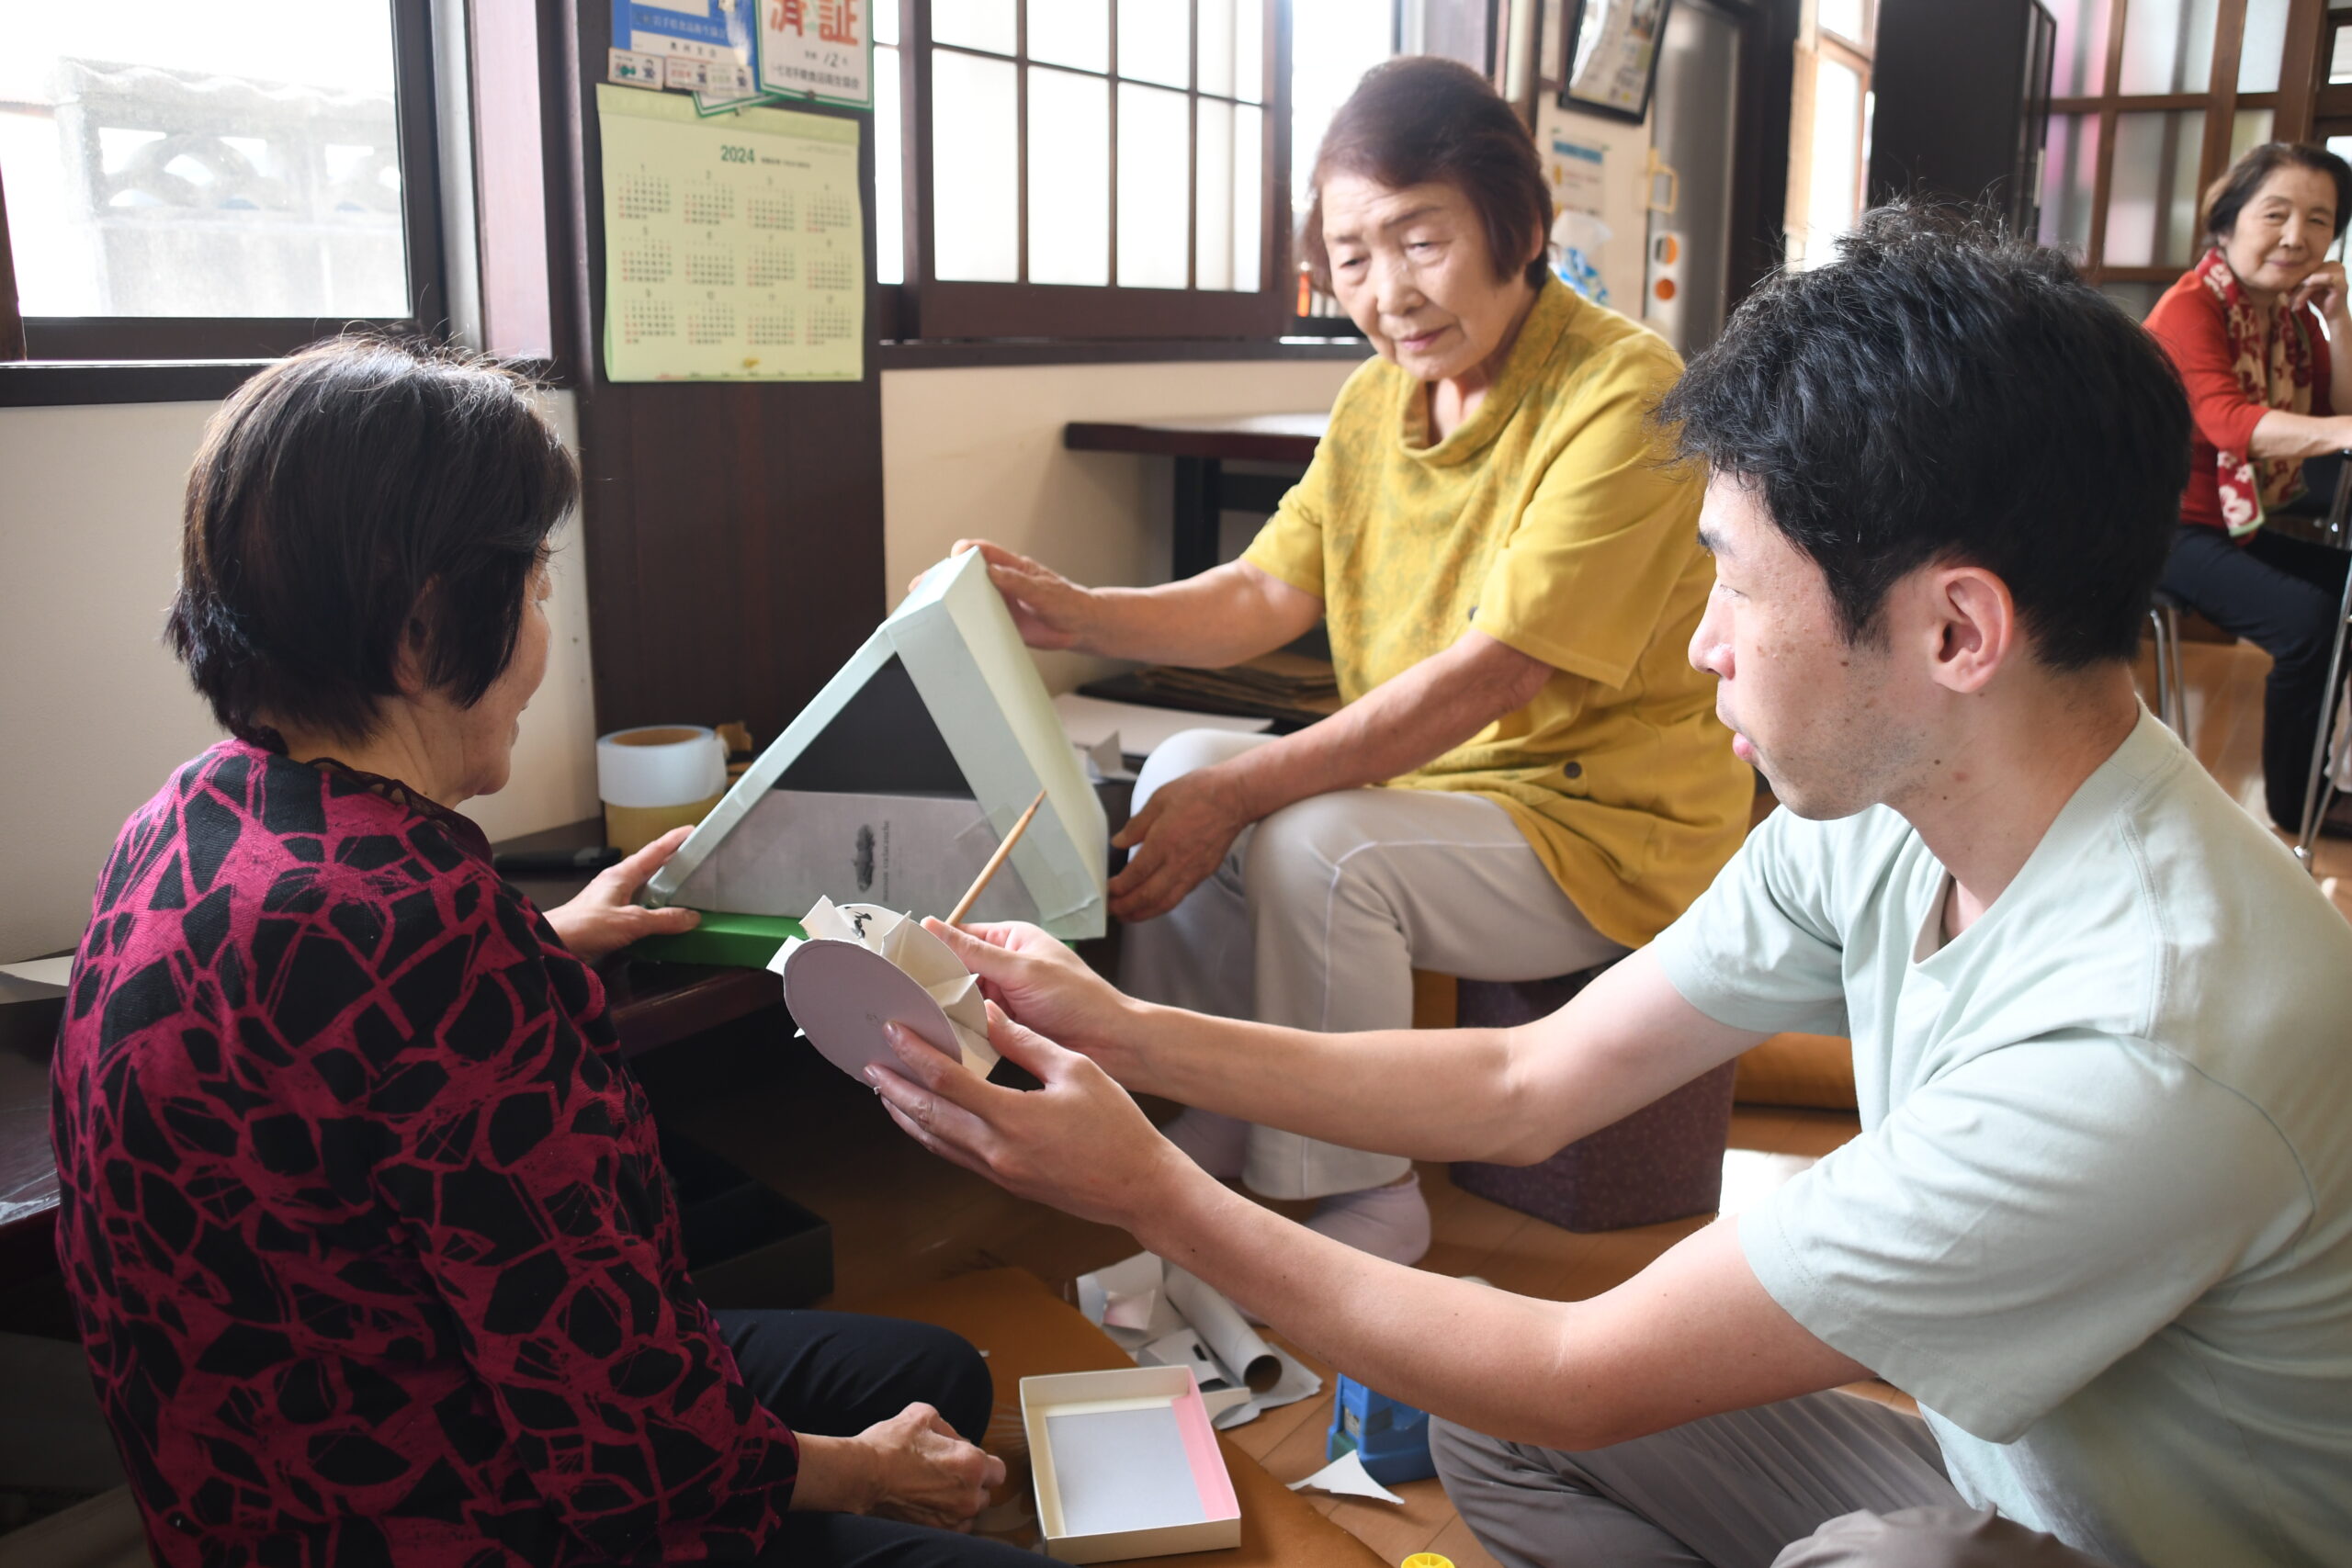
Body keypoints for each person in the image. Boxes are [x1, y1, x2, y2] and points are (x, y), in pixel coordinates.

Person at [863, 209, 2352, 1567]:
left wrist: (1149, 1189)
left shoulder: (2142, 1037)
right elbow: (1529, 1077)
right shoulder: (1900, 797)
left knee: (1851, 1547)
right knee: (1490, 1425)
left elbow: (1587, 1370)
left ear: (1955, 630)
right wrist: (1121, 1030)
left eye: (1736, 583)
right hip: (2014, 1480)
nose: (1703, 641)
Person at [48, 339, 1035, 1568]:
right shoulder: (430, 934)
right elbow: (632, 1452)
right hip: (449, 1510)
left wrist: (539, 939)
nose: (539, 638)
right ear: (423, 630)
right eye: (536, 585)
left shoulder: (186, 819)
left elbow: (334, 1053)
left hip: (255, 1478)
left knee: (923, 1367)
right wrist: (857, 1472)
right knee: (939, 1469)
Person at [933, 57, 1747, 1265]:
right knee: (1182, 770)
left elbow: (1491, 675)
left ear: (1517, 227)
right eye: (1353, 256)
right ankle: (1220, 1105)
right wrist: (1077, 611)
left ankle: (1354, 1194)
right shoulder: (1379, 398)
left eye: (1422, 241)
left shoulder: (1624, 393)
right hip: (1444, 797)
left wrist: (1250, 791)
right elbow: (1265, 589)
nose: (1389, 292)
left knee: (1317, 840)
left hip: (1609, 826)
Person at [2144, 141, 2352, 832]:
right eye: (2277, 213)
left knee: (2346, 589)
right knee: (2308, 620)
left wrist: (2339, 321)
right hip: (2156, 524)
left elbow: (2328, 414)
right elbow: (2229, 424)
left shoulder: (2290, 318)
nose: (2297, 236)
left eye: (2319, 219)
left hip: (2231, 523)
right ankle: (2293, 806)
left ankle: (2319, 785)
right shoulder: (2189, 309)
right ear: (2227, 222)